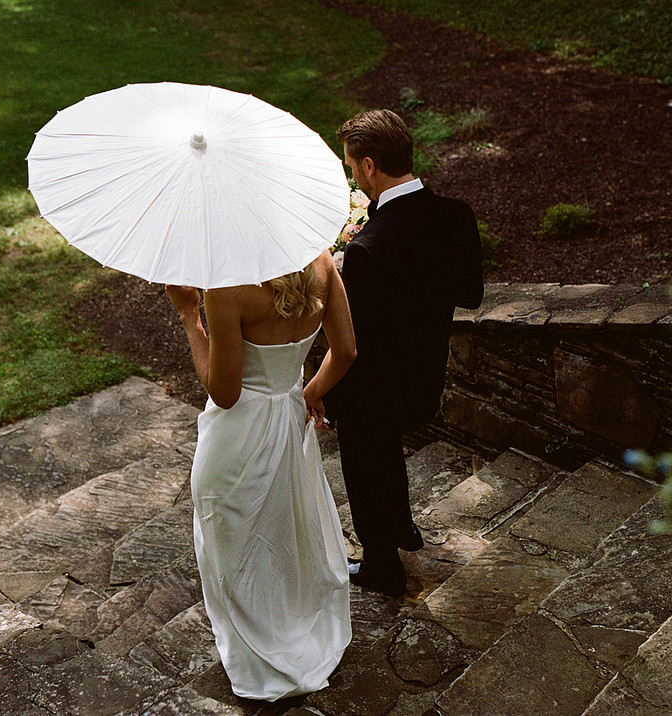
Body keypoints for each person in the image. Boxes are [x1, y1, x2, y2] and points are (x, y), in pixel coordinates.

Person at [165, 250, 356, 701]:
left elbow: (225, 392)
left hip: (239, 438)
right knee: (282, 532)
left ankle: (258, 655)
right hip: (288, 420)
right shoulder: (322, 264)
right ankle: (291, 631)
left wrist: (190, 317)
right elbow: (346, 350)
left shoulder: (225, 289)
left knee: (233, 542)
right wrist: (309, 391)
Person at [317, 108, 484, 598]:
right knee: (385, 448)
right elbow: (470, 294)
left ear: (369, 166)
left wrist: (327, 397)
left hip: (374, 390)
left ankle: (382, 565)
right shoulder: (456, 215)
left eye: (353, 167)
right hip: (425, 381)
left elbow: (352, 343)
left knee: (366, 464)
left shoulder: (370, 248)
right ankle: (404, 527)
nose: (354, 176)